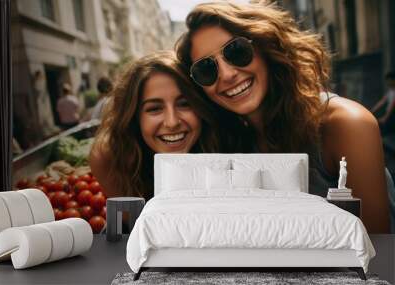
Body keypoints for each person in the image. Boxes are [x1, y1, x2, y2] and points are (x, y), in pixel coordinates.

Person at [175, 1, 390, 233]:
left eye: (236, 51)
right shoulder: (235, 142)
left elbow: (376, 253)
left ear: (266, 46)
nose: (227, 75)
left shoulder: (346, 123)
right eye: (206, 69)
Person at [90, 51, 243, 200]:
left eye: (185, 104)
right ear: (133, 117)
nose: (172, 122)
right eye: (154, 109)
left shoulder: (228, 141)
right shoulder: (110, 157)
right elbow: (131, 222)